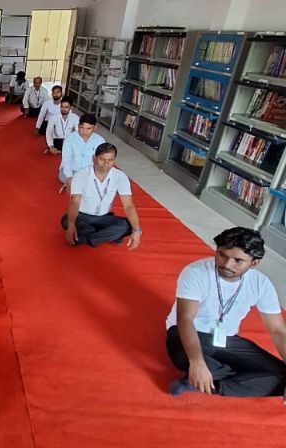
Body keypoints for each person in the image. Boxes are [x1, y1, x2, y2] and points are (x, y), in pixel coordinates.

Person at [166, 227, 286, 398]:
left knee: (283, 375)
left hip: (228, 339)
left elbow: (278, 330)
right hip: (187, 333)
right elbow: (185, 319)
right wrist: (197, 362)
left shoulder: (261, 283)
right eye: (222, 255)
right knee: (200, 362)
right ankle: (214, 374)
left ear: (254, 263)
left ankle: (213, 384)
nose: (227, 264)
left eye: (238, 260)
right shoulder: (196, 272)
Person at [62, 142, 142, 249]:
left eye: (110, 160)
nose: (106, 163)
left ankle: (88, 238)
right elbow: (75, 202)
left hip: (104, 217)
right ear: (94, 158)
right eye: (102, 159)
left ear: (114, 160)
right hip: (82, 216)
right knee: (66, 221)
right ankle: (104, 236)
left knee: (129, 225)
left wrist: (137, 230)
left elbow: (128, 205)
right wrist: (71, 225)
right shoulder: (81, 175)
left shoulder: (120, 176)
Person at [58, 113, 102, 190]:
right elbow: (66, 160)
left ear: (95, 128)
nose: (84, 131)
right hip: (72, 170)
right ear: (78, 126)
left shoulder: (100, 141)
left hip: (89, 172)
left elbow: (100, 161)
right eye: (82, 128)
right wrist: (69, 177)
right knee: (64, 177)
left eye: (88, 128)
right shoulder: (69, 139)